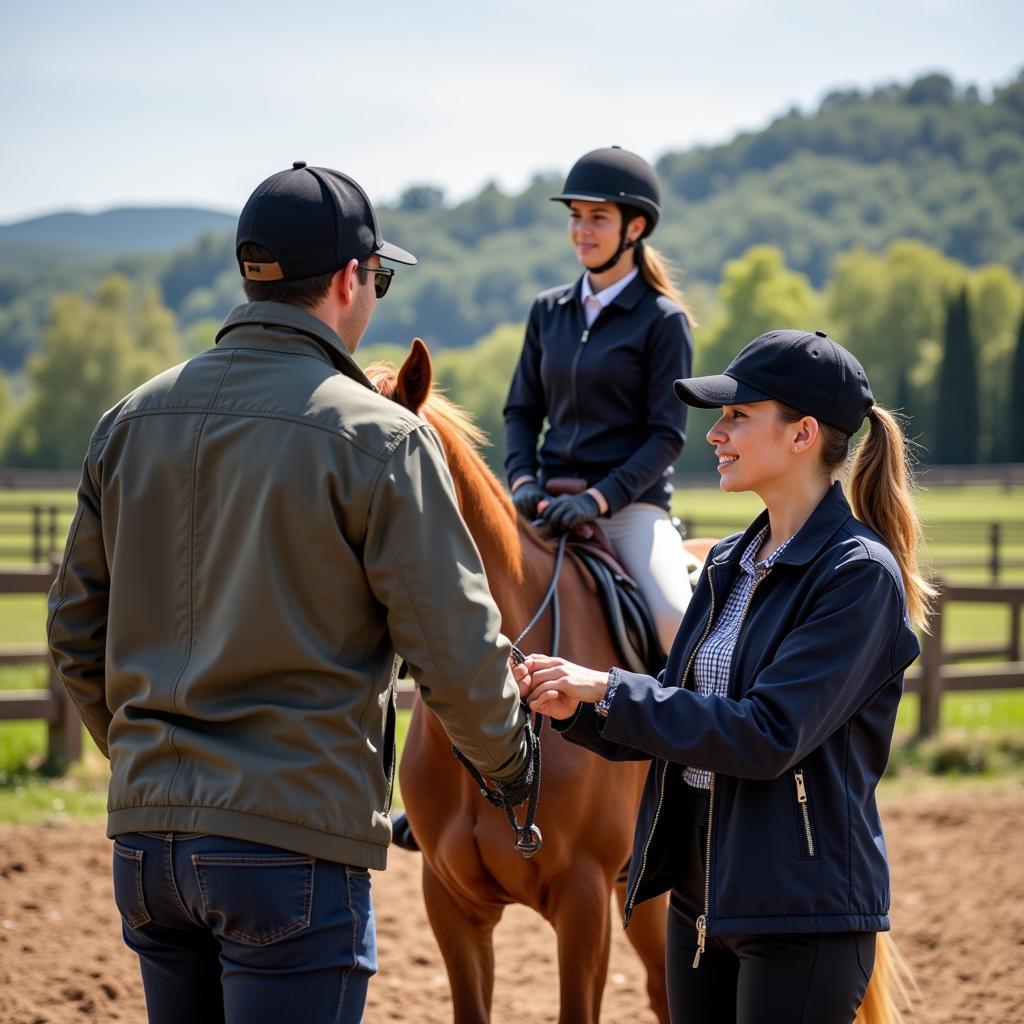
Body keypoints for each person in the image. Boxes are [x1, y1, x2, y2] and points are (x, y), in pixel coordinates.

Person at [47, 161, 535, 1024]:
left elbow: (75, 632)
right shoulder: (381, 438)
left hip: (147, 851)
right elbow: (452, 645)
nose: (375, 293)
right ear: (351, 279)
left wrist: (141, 761)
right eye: (378, 277)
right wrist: (510, 762)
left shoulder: (126, 421)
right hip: (291, 848)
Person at [515, 329, 930, 1023]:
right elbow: (684, 710)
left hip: (802, 913)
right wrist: (577, 708)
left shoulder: (857, 576)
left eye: (738, 415)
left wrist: (610, 687)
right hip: (700, 901)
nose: (716, 433)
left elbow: (766, 736)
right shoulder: (729, 560)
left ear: (801, 435)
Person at [503, 145, 696, 653]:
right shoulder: (548, 311)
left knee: (676, 621)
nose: (581, 230)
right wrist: (522, 480)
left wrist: (598, 499)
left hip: (628, 512)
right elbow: (522, 411)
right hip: (545, 502)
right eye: (575, 217)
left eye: (597, 218)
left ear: (634, 228)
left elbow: (666, 437)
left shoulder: (663, 321)